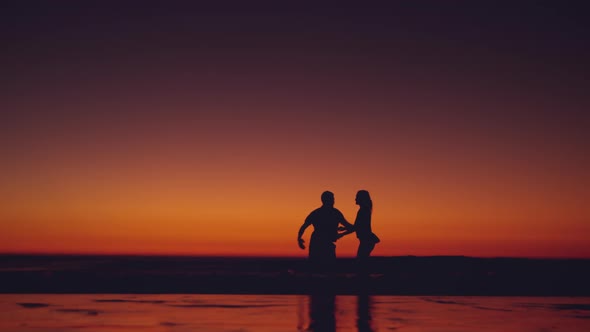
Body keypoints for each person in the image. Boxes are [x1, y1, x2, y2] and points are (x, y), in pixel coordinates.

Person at [297, 191, 354, 270]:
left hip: (321, 243)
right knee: (321, 268)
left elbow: (304, 227)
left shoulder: (318, 213)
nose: (334, 201)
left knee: (322, 268)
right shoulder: (334, 213)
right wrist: (344, 232)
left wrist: (299, 239)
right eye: (332, 199)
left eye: (333, 199)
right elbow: (304, 226)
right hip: (319, 244)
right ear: (326, 200)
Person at [338, 190, 380, 270]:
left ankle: (363, 279)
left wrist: (342, 234)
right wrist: (344, 229)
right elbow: (357, 226)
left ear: (361, 198)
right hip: (367, 240)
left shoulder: (363, 211)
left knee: (361, 262)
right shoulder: (364, 210)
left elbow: (356, 227)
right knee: (362, 261)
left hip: (367, 240)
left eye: (357, 197)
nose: (355, 199)